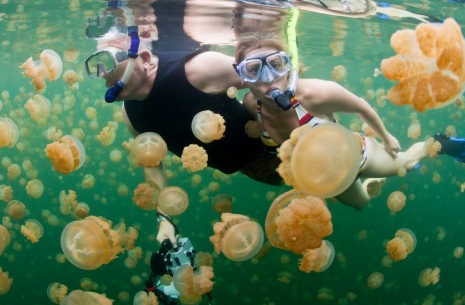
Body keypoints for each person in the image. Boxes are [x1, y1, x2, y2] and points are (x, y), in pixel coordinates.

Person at [86, 27, 282, 245]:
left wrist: (295, 129)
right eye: (96, 63)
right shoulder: (131, 116)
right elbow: (153, 165)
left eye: (109, 60)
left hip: (276, 141)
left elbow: (274, 75)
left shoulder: (199, 68)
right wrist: (164, 219)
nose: (102, 72)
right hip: (250, 168)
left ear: (144, 58)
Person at [233, 34, 433, 210]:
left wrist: (387, 138)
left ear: (288, 68)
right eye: (253, 70)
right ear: (242, 76)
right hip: (328, 177)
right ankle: (375, 180)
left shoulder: (315, 94)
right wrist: (254, 131)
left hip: (357, 157)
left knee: (407, 162)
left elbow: (360, 106)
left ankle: (434, 144)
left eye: (276, 65)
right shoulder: (251, 106)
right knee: (361, 203)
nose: (268, 78)